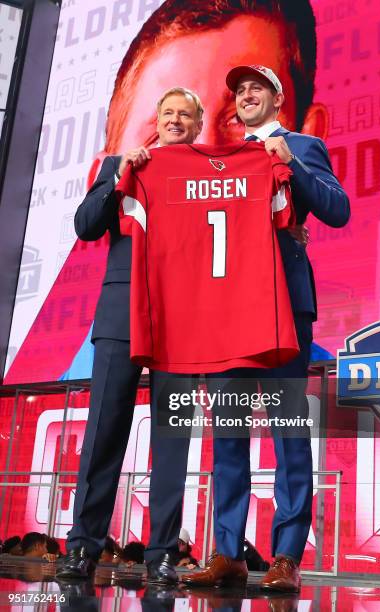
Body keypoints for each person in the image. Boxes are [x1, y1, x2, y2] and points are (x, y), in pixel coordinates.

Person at [182, 65, 349, 592]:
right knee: (227, 430)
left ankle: (286, 556)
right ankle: (228, 552)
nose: (245, 94)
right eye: (239, 90)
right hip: (229, 310)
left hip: (284, 307)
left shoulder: (301, 144)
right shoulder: (218, 161)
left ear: (277, 98)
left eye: (256, 87)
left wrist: (290, 165)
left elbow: (337, 209)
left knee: (288, 432)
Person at [56, 88, 203, 584]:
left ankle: (162, 552)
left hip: (182, 320)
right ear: (156, 121)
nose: (176, 120)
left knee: (171, 437)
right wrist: (118, 178)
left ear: (199, 126)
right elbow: (86, 225)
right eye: (169, 113)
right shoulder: (119, 165)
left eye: (186, 114)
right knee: (102, 432)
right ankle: (83, 547)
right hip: (120, 315)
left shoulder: (210, 173)